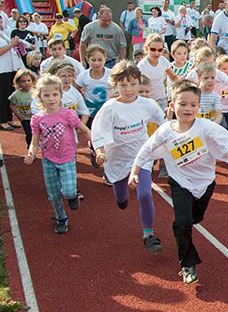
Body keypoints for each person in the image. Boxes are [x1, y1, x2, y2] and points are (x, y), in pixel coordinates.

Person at [131, 82, 228, 285]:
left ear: (198, 107)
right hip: (180, 182)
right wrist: (134, 172)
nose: (188, 109)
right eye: (183, 104)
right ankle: (188, 265)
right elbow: (146, 149)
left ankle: (187, 231)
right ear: (172, 105)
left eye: (193, 105)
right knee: (182, 223)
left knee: (194, 218)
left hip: (206, 183)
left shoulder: (206, 127)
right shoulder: (166, 130)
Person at [91, 60, 166, 252]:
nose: (129, 89)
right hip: (117, 159)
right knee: (122, 197)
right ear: (115, 85)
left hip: (141, 156)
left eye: (133, 84)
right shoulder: (109, 108)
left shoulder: (148, 104)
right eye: (123, 85)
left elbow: (164, 123)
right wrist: (100, 152)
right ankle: (121, 197)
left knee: (145, 194)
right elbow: (98, 132)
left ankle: (148, 235)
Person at [25, 74, 91, 234]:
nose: (51, 98)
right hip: (48, 160)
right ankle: (61, 219)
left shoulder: (68, 114)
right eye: (46, 95)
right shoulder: (37, 119)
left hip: (67, 158)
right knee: (53, 195)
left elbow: (84, 129)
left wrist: (95, 146)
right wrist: (31, 154)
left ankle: (72, 196)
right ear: (39, 97)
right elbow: (35, 141)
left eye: (55, 94)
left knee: (68, 191)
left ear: (61, 95)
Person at [138, 34, 177, 110]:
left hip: (161, 99)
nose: (156, 53)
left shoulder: (163, 61)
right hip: (146, 100)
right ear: (146, 48)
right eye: (153, 49)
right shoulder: (142, 66)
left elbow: (173, 77)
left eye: (160, 50)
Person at [75, 44, 111, 125]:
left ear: (105, 59)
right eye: (93, 60)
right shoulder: (83, 76)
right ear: (88, 60)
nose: (97, 63)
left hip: (107, 110)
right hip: (90, 112)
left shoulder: (111, 74)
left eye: (100, 60)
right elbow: (75, 90)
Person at [0, 26, 24, 130]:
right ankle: (2, 120)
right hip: (1, 69)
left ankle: (9, 118)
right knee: (3, 96)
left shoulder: (3, 33)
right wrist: (11, 44)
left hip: (9, 68)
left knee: (9, 95)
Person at [8, 68, 35, 145]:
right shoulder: (16, 94)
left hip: (35, 117)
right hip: (25, 118)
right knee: (29, 133)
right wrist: (18, 115)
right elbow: (12, 105)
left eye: (28, 80)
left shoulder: (35, 92)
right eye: (23, 81)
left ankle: (36, 147)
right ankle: (30, 148)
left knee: (37, 134)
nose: (26, 83)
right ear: (18, 82)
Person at [195, 62, 222, 126]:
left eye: (212, 78)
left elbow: (218, 114)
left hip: (209, 125)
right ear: (199, 78)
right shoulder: (194, 94)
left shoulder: (215, 96)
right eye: (206, 78)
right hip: (196, 125)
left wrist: (214, 125)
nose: (210, 80)